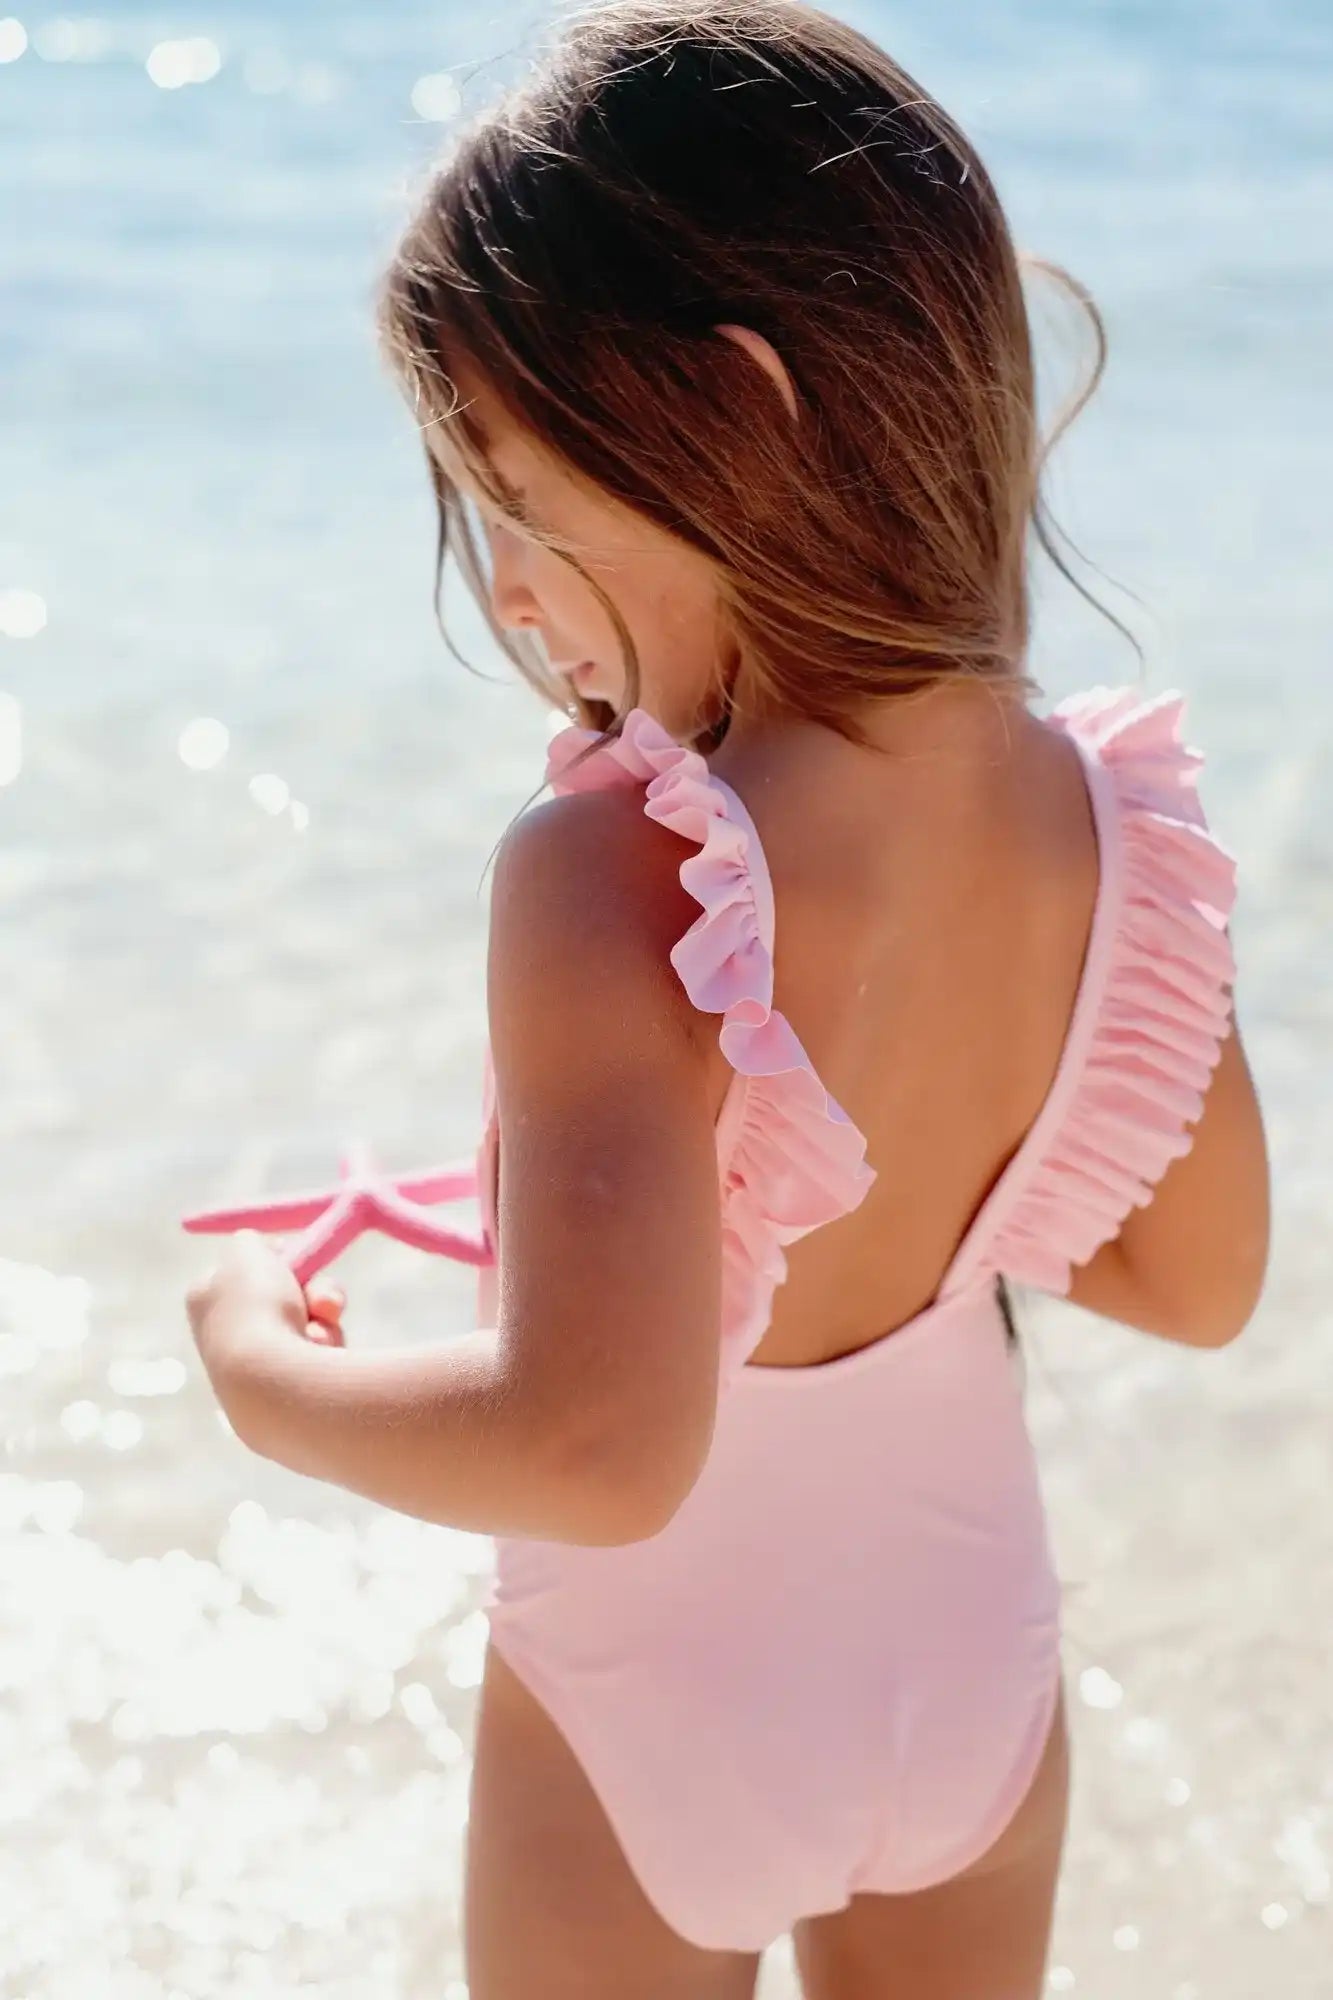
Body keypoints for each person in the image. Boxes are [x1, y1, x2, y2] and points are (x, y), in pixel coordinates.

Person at [186, 3, 1271, 1994]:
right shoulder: (1111, 818)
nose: (508, 592)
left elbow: (602, 1449)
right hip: (971, 1679)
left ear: (741, 411)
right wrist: (874, 1173)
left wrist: (265, 1377)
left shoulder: (614, 872)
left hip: (648, 1710)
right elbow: (1193, 1277)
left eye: (516, 499)